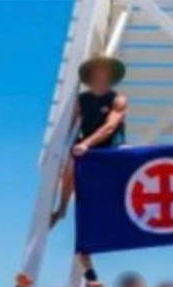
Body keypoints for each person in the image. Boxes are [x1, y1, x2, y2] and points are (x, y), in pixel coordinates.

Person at [50, 54, 128, 227]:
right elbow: (70, 125)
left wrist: (86, 143)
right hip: (86, 149)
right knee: (71, 163)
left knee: (126, 160)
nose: (101, 76)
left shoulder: (118, 99)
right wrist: (67, 147)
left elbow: (109, 127)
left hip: (111, 147)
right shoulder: (81, 100)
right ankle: (62, 209)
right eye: (98, 71)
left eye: (105, 72)